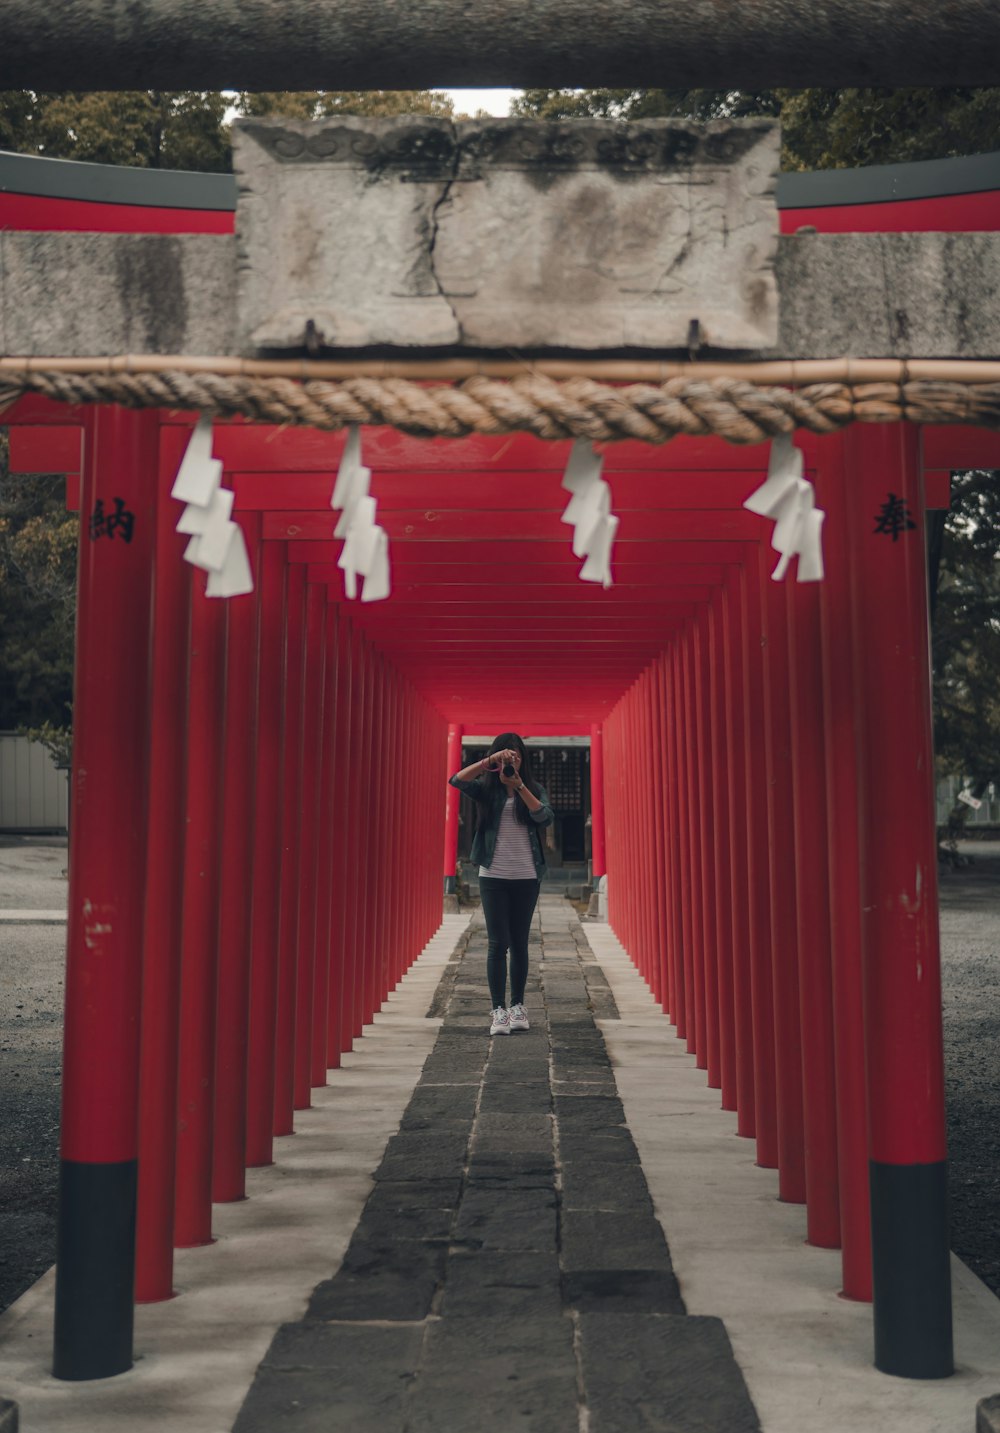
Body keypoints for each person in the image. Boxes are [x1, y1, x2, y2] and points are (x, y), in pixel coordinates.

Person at [449, 733, 554, 1036]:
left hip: (526, 875)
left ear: (524, 758)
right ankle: (498, 1010)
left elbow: (544, 818)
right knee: (498, 943)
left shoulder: (533, 788)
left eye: (516, 755)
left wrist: (519, 786)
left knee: (520, 941)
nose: (512, 760)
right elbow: (456, 780)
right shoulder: (486, 790)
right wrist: (489, 763)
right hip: (493, 875)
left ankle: (518, 1006)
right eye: (507, 755)